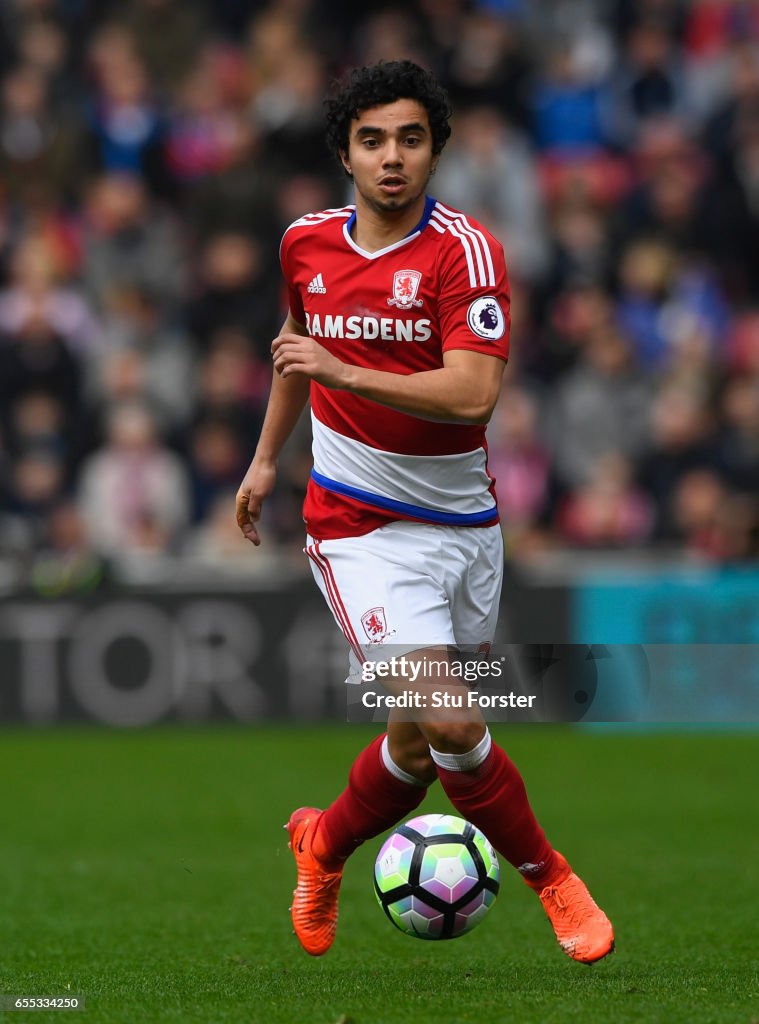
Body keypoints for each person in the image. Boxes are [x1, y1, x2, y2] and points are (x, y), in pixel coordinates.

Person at [235, 60, 614, 965]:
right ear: (344, 153)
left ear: (436, 150)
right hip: (355, 526)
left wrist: (343, 371)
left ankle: (321, 844)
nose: (391, 157)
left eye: (410, 138)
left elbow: (472, 395)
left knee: (412, 745)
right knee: (450, 725)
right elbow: (296, 356)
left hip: (464, 530)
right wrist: (261, 461)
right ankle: (551, 877)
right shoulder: (304, 244)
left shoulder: (464, 252)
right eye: (372, 140)